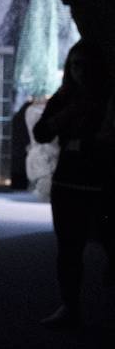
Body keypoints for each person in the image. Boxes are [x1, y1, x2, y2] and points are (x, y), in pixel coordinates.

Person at [32, 40, 115, 328]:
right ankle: (70, 306)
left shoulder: (107, 98)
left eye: (86, 65)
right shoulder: (65, 97)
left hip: (102, 183)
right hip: (68, 182)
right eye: (75, 65)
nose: (81, 71)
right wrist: (65, 117)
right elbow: (41, 132)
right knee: (68, 248)